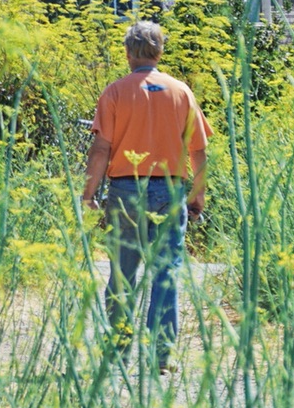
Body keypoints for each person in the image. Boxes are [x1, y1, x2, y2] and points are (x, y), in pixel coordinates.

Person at [82, 20, 210, 371]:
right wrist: (197, 195)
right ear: (159, 52)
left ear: (128, 54)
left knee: (122, 274)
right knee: (165, 273)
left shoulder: (114, 93)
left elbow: (100, 149)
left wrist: (89, 194)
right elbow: (198, 151)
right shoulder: (181, 92)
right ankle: (161, 357)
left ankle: (119, 352)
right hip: (170, 190)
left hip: (125, 190)